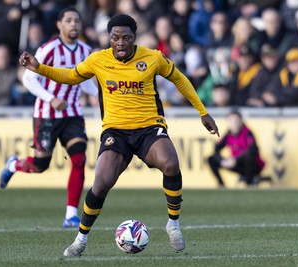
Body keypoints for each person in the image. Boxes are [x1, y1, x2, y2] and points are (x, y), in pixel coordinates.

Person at [19, 13, 219, 257]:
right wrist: (39, 68)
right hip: (116, 131)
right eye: (115, 37)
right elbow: (71, 76)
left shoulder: (153, 57)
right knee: (101, 183)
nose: (121, 42)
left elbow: (179, 78)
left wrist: (202, 112)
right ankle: (80, 239)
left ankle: (173, 224)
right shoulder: (97, 60)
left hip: (148, 128)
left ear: (134, 38)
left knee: (170, 163)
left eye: (126, 37)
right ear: (109, 38)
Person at [0, 7, 98, 229]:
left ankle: (71, 214)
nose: (74, 24)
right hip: (47, 115)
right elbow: (28, 79)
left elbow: (85, 82)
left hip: (73, 114)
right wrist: (51, 98)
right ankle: (14, 165)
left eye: (77, 21)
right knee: (41, 164)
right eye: (69, 21)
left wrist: (104, 94)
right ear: (59, 25)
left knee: (79, 159)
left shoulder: (85, 50)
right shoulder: (49, 49)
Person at [208, 110, 265, 187]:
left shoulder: (247, 133)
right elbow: (216, 148)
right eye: (231, 121)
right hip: (237, 164)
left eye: (236, 121)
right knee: (211, 158)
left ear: (241, 121)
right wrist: (222, 161)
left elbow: (253, 150)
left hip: (253, 166)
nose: (234, 124)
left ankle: (248, 183)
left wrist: (236, 159)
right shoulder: (228, 134)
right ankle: (221, 184)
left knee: (249, 157)